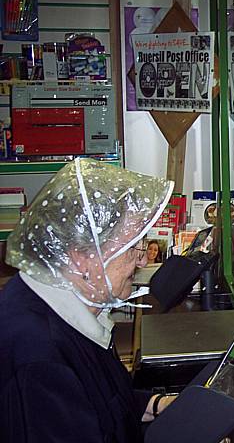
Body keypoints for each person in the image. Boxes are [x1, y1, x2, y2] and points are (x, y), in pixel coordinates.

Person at [0, 159, 177, 442]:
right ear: (81, 256)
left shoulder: (76, 309)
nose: (143, 259)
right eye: (133, 247)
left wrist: (157, 405)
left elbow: (102, 400)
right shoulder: (39, 358)